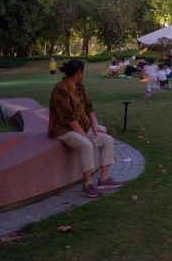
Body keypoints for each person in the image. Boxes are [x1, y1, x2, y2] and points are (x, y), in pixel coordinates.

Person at [48, 59, 124, 197]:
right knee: (86, 145)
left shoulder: (79, 86)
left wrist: (95, 128)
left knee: (107, 140)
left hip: (81, 126)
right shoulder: (61, 89)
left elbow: (89, 107)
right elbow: (68, 119)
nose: (85, 72)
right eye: (84, 70)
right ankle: (87, 185)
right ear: (79, 72)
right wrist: (85, 136)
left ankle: (104, 179)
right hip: (63, 130)